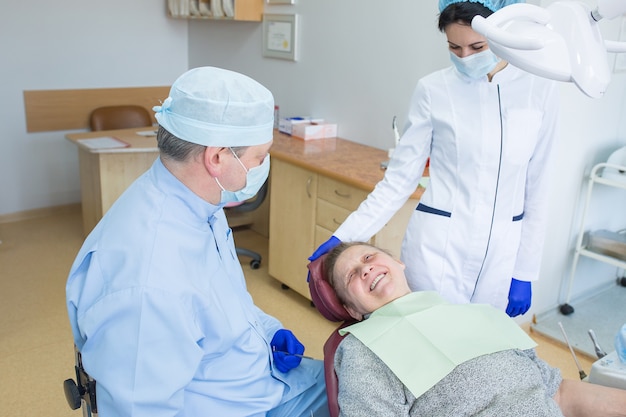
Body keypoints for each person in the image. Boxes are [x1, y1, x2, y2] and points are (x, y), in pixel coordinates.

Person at [66, 66, 329, 417]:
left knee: (358, 380)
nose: (264, 165)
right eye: (260, 156)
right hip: (235, 406)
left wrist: (267, 330)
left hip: (252, 377)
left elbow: (221, 301)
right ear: (217, 157)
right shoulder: (150, 280)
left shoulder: (198, 200)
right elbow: (141, 410)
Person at [310, 0, 561, 317]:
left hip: (502, 252)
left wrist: (525, 270)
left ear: (502, 35)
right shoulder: (434, 90)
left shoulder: (538, 88)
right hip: (439, 248)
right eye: (454, 47)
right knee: (430, 338)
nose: (465, 57)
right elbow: (399, 181)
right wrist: (343, 236)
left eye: (476, 46)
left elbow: (538, 185)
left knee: (486, 347)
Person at [324, 241, 626, 417]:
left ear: (399, 263)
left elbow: (558, 392)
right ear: (352, 310)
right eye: (351, 275)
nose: (365, 268)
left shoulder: (476, 315)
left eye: (369, 256)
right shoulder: (364, 351)